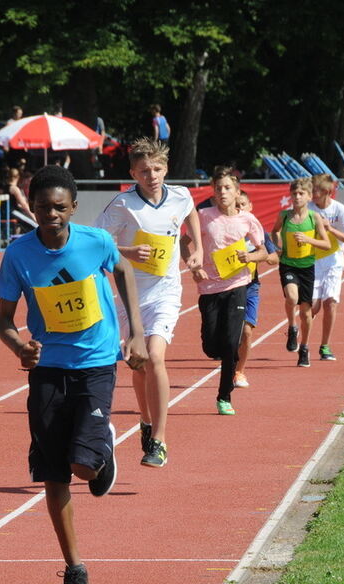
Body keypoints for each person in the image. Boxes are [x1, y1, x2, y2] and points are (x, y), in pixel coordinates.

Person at [0, 165, 147, 584]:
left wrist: (134, 332)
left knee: (83, 466)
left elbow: (124, 271)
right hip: (47, 371)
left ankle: (102, 455)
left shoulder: (95, 242)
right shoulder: (19, 254)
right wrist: (20, 347)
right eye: (43, 207)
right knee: (55, 472)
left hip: (97, 363)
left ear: (74, 208)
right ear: (32, 207)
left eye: (60, 207)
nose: (51, 215)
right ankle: (75, 571)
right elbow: (3, 320)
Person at [96, 137, 202, 468]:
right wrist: (127, 252)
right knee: (138, 364)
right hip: (130, 296)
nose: (151, 176)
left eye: (156, 169)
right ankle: (145, 419)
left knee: (156, 356)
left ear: (166, 169)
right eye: (144, 171)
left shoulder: (181, 195)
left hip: (166, 291)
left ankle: (160, 439)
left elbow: (191, 213)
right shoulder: (122, 205)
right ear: (133, 173)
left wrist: (196, 246)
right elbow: (100, 243)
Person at [187, 169, 267, 415]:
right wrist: (194, 264)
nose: (222, 192)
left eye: (227, 188)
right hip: (209, 287)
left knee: (232, 342)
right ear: (213, 189)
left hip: (237, 286)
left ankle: (224, 396)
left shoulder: (248, 220)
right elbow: (183, 242)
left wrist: (250, 256)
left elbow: (264, 251)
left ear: (237, 191)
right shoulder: (203, 216)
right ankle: (220, 355)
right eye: (218, 188)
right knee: (212, 346)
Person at [271, 177, 330, 367]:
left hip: (307, 267)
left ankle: (304, 348)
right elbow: (274, 232)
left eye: (301, 193)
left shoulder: (315, 217)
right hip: (288, 264)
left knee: (306, 312)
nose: (297, 197)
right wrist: (278, 248)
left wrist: (308, 240)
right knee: (291, 298)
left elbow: (326, 243)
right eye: (294, 193)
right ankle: (292, 327)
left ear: (309, 196)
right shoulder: (284, 216)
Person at [309, 173, 344, 361]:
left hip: (333, 263)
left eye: (317, 190)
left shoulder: (340, 209)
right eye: (312, 189)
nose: (313, 193)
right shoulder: (308, 208)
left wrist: (330, 229)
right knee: (312, 307)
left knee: (330, 302)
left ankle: (325, 346)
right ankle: (301, 337)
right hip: (312, 262)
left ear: (328, 192)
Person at [233, 190, 279, 388]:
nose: (239, 208)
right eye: (236, 205)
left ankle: (239, 371)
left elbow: (274, 257)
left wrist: (260, 256)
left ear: (250, 206)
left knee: (247, 331)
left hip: (251, 286)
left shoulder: (258, 232)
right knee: (228, 334)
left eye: (242, 204)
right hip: (229, 287)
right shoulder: (226, 231)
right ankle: (230, 360)